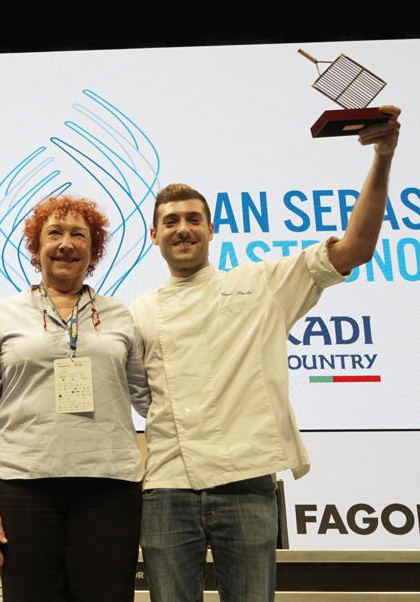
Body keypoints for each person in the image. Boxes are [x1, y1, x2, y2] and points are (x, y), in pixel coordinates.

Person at [132, 106, 402, 601]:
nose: (182, 228)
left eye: (194, 219)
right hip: (167, 487)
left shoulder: (262, 284)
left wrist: (383, 156)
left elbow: (357, 247)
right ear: (154, 236)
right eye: (170, 221)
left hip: (247, 481)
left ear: (213, 230)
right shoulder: (139, 312)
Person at [0, 195, 150, 601]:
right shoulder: (0, 315)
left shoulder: (121, 315)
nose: (66, 243)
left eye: (79, 234)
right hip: (23, 488)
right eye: (54, 233)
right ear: (36, 247)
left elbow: (149, 398)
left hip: (110, 489)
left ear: (94, 251)